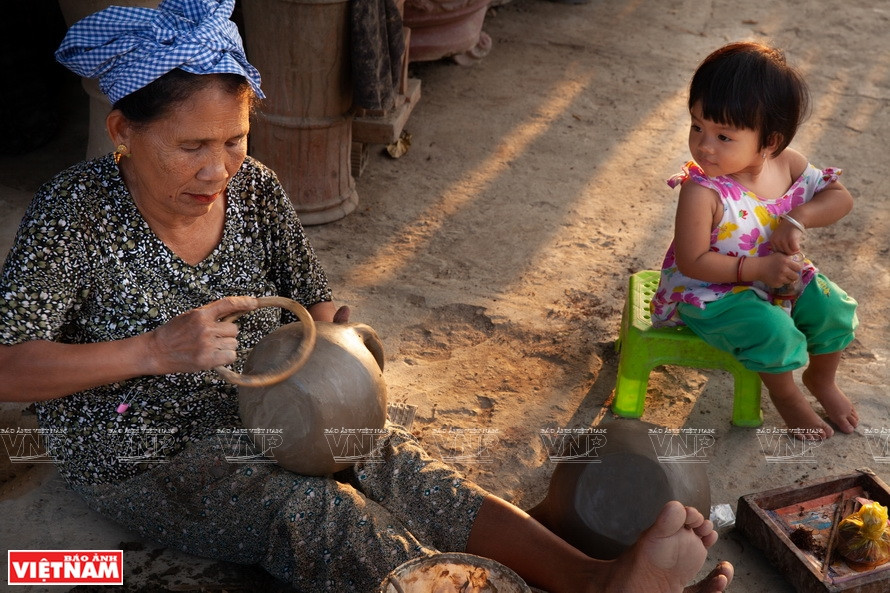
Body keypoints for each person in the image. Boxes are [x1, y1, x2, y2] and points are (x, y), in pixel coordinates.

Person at [0, 1, 732, 591]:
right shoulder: (75, 215)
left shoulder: (253, 191)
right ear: (124, 131)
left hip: (278, 406)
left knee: (396, 460)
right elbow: (10, 367)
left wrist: (337, 344)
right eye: (192, 146)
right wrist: (154, 350)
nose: (218, 168)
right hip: (144, 451)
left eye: (235, 139)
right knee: (317, 512)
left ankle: (591, 579)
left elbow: (314, 305)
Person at [650, 41, 859, 440]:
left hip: (778, 278)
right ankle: (787, 397)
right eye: (697, 126)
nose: (703, 145)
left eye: (723, 136)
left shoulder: (789, 164)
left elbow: (840, 197)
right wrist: (756, 268)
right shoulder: (702, 189)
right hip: (711, 293)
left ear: (769, 142)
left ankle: (822, 379)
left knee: (834, 308)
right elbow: (693, 261)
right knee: (773, 331)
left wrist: (797, 218)